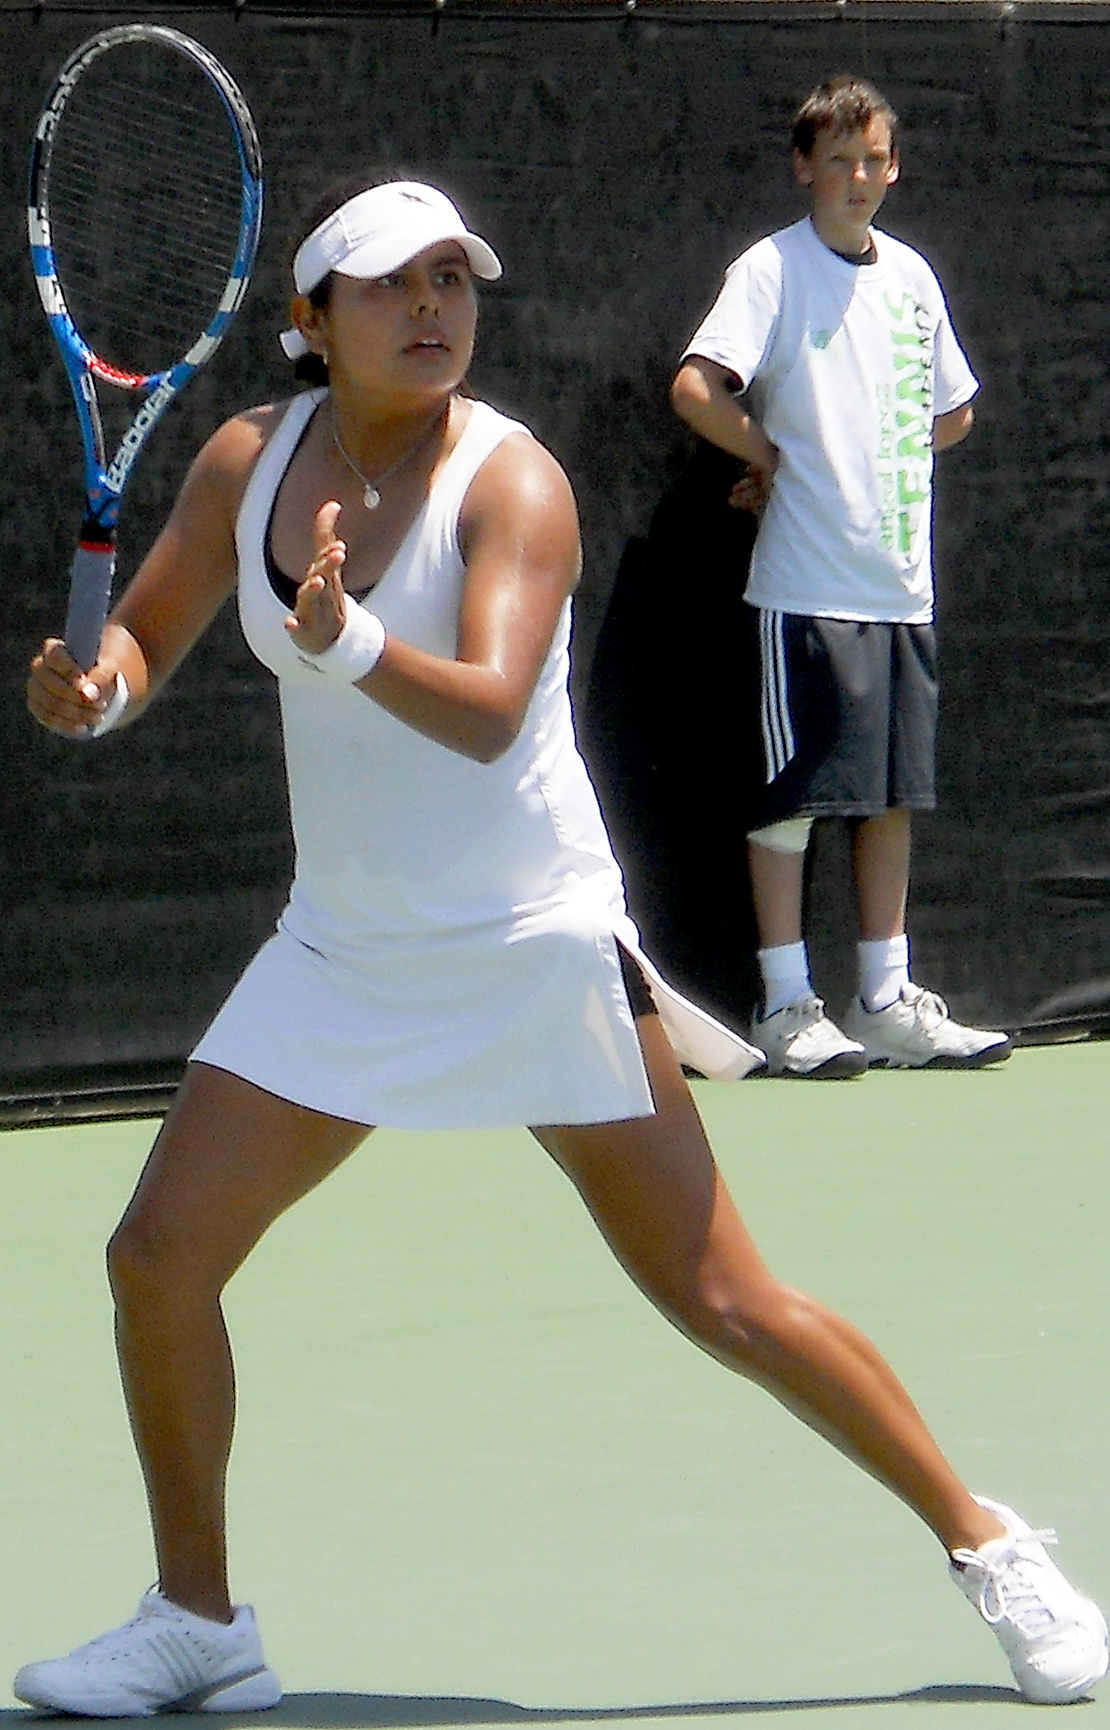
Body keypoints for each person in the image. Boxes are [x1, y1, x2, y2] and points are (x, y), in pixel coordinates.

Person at [18, 175, 1106, 1714]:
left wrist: (350, 639)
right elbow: (145, 634)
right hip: (344, 949)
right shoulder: (246, 461)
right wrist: (99, 692)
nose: (433, 309)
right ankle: (197, 1618)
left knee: (723, 1299)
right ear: (312, 318)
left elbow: (485, 709)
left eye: (453, 280)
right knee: (156, 1257)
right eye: (392, 285)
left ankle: (989, 1544)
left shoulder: (513, 480)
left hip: (533, 948)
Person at [671, 75, 1013, 1079]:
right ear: (804, 169)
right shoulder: (772, 270)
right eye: (838, 163)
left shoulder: (912, 278)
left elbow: (954, 411)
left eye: (873, 161)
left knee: (889, 796)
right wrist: (773, 454)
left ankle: (885, 999)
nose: (857, 179)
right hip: (803, 590)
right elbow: (696, 386)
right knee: (792, 800)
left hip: (901, 590)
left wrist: (874, 453)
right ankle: (785, 1004)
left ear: (893, 168)